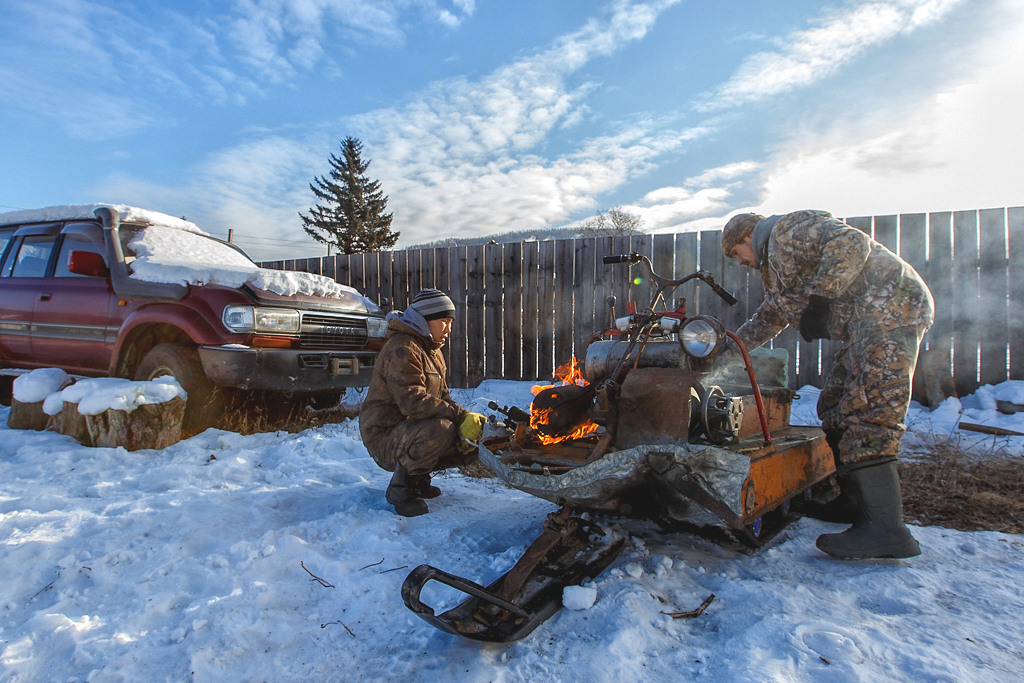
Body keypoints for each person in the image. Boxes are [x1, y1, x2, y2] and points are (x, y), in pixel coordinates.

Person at [720, 210, 934, 559]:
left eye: (736, 255)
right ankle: (853, 505)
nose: (740, 263)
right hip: (864, 328)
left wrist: (822, 298)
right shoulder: (777, 268)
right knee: (833, 406)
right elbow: (768, 319)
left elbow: (851, 242)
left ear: (745, 237)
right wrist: (729, 351)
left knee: (867, 411)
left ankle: (887, 530)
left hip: (890, 311)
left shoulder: (786, 230)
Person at [359, 288, 487, 517]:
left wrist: (466, 418)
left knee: (474, 437)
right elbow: (413, 402)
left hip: (407, 431)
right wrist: (457, 417)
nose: (449, 329)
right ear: (423, 320)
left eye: (450, 322)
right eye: (443, 321)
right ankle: (401, 490)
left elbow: (442, 398)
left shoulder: (432, 350)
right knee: (440, 429)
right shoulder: (403, 348)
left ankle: (418, 480)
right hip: (384, 436)